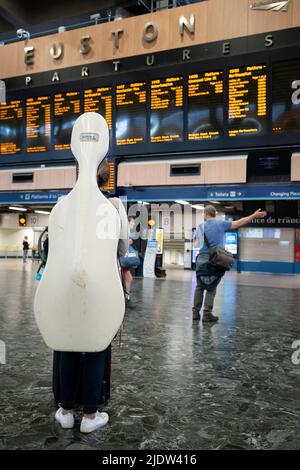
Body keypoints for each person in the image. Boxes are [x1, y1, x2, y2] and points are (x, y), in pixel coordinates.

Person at [55, 160, 128, 433]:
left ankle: (65, 410)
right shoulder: (114, 206)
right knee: (97, 346)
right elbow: (121, 249)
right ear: (107, 180)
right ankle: (90, 416)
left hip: (66, 282)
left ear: (78, 172)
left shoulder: (63, 203)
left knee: (67, 343)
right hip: (102, 283)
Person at [192, 205, 267, 323]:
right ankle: (207, 314)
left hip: (201, 260)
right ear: (214, 214)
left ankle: (195, 314)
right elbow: (240, 222)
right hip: (215, 260)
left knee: (199, 286)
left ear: (206, 214)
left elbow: (195, 244)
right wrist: (254, 215)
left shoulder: (200, 227)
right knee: (211, 287)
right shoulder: (221, 224)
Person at [122, 216, 136, 302]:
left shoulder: (127, 232)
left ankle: (126, 294)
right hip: (123, 258)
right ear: (128, 222)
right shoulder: (124, 231)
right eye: (132, 222)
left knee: (127, 278)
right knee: (129, 278)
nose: (134, 224)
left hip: (123, 258)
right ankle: (126, 295)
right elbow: (121, 243)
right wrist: (128, 241)